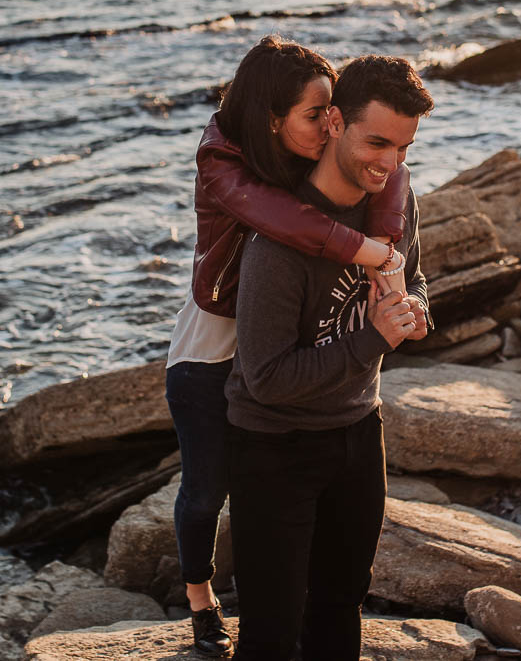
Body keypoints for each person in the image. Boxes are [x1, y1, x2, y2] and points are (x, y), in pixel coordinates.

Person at [164, 36, 420, 658]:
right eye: (317, 113)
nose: (328, 119)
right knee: (204, 494)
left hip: (339, 415)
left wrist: (401, 287)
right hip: (210, 357)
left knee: (334, 597)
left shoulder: (343, 171)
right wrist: (372, 263)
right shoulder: (232, 173)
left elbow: (394, 189)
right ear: (274, 120)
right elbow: (291, 231)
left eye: (333, 108)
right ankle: (199, 600)